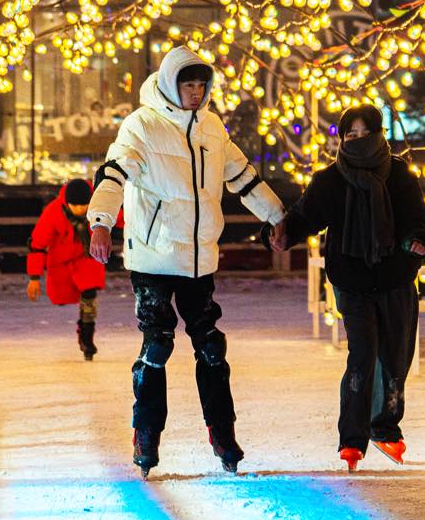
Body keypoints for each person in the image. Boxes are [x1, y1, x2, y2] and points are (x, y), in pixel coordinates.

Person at [85, 45, 285, 476]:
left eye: (201, 84)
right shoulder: (141, 125)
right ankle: (146, 434)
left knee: (211, 346)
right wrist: (101, 221)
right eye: (187, 83)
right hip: (153, 257)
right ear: (170, 83)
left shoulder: (212, 129)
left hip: (199, 258)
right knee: (157, 345)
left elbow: (243, 177)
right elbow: (112, 174)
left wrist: (277, 217)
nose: (195, 92)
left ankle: (223, 432)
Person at [270, 105, 425, 470]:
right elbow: (305, 215)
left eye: (364, 134)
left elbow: (417, 219)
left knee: (394, 357)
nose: (357, 141)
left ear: (379, 136)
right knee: (362, 353)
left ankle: (385, 426)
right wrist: (283, 235)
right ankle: (352, 439)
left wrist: (416, 241)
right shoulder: (331, 179)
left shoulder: (400, 175)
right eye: (350, 135)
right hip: (353, 281)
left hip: (394, 278)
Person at [25, 179, 105, 360]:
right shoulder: (53, 212)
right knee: (63, 298)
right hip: (61, 264)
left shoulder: (99, 207)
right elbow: (37, 244)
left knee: (89, 296)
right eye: (75, 206)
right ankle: (84, 333)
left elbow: (121, 217)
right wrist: (34, 277)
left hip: (87, 259)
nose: (80, 210)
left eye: (84, 205)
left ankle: (87, 337)